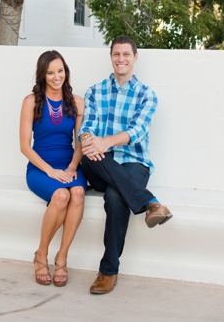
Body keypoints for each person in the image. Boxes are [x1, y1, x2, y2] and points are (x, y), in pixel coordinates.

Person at [79, 35, 172, 295]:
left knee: (115, 196)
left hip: (134, 162)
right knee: (89, 154)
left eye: (126, 54)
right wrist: (88, 140)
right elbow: (87, 127)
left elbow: (137, 131)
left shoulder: (147, 95)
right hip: (99, 162)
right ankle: (150, 202)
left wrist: (104, 143)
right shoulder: (95, 91)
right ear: (111, 57)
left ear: (135, 57)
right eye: (116, 54)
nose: (121, 59)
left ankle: (108, 272)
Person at [20, 50, 87, 287]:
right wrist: (49, 170)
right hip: (40, 168)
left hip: (69, 164)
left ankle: (61, 258)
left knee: (77, 193)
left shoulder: (77, 102)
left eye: (60, 71)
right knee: (61, 195)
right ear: (43, 75)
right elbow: (25, 147)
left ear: (65, 72)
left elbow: (80, 142)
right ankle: (41, 254)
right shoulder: (31, 102)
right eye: (50, 72)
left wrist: (71, 167)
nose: (56, 76)